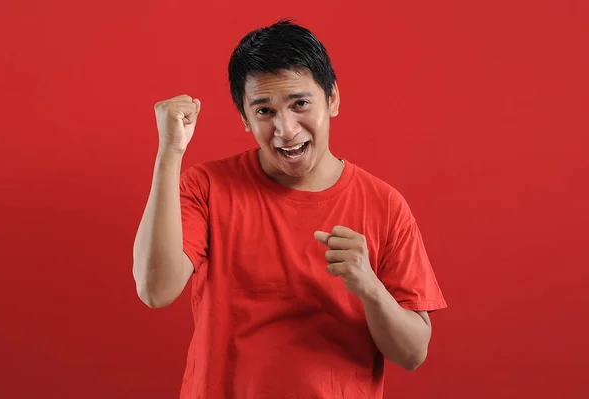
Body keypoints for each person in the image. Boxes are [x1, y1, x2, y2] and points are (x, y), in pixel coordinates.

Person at [133, 19, 447, 399]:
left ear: (332, 98)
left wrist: (370, 288)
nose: (286, 129)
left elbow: (413, 353)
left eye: (300, 104)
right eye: (264, 111)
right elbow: (155, 290)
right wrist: (170, 153)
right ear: (245, 119)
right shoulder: (207, 187)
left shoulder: (385, 204)